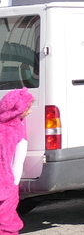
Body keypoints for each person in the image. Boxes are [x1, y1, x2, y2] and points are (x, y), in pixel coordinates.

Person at [1, 88, 33, 233]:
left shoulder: (15, 125)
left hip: (8, 182)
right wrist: (12, 185)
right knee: (6, 220)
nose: (30, 112)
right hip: (7, 184)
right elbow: (12, 161)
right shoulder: (10, 131)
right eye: (27, 108)